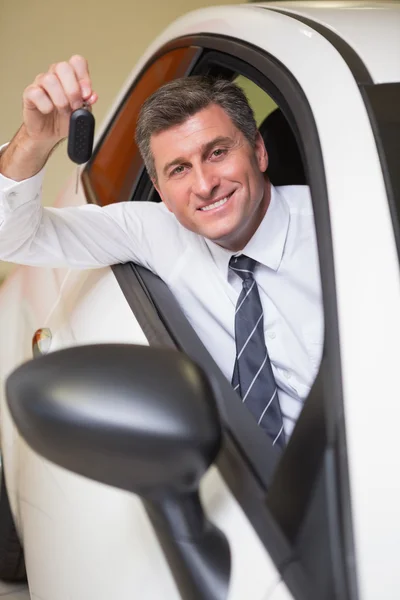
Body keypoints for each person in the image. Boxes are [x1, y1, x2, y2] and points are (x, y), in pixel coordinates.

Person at [0, 55, 323, 447]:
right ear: (160, 189)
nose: (204, 185)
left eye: (217, 153)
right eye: (179, 170)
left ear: (258, 151)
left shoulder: (339, 230)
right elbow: (13, 237)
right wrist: (35, 141)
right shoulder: (155, 231)